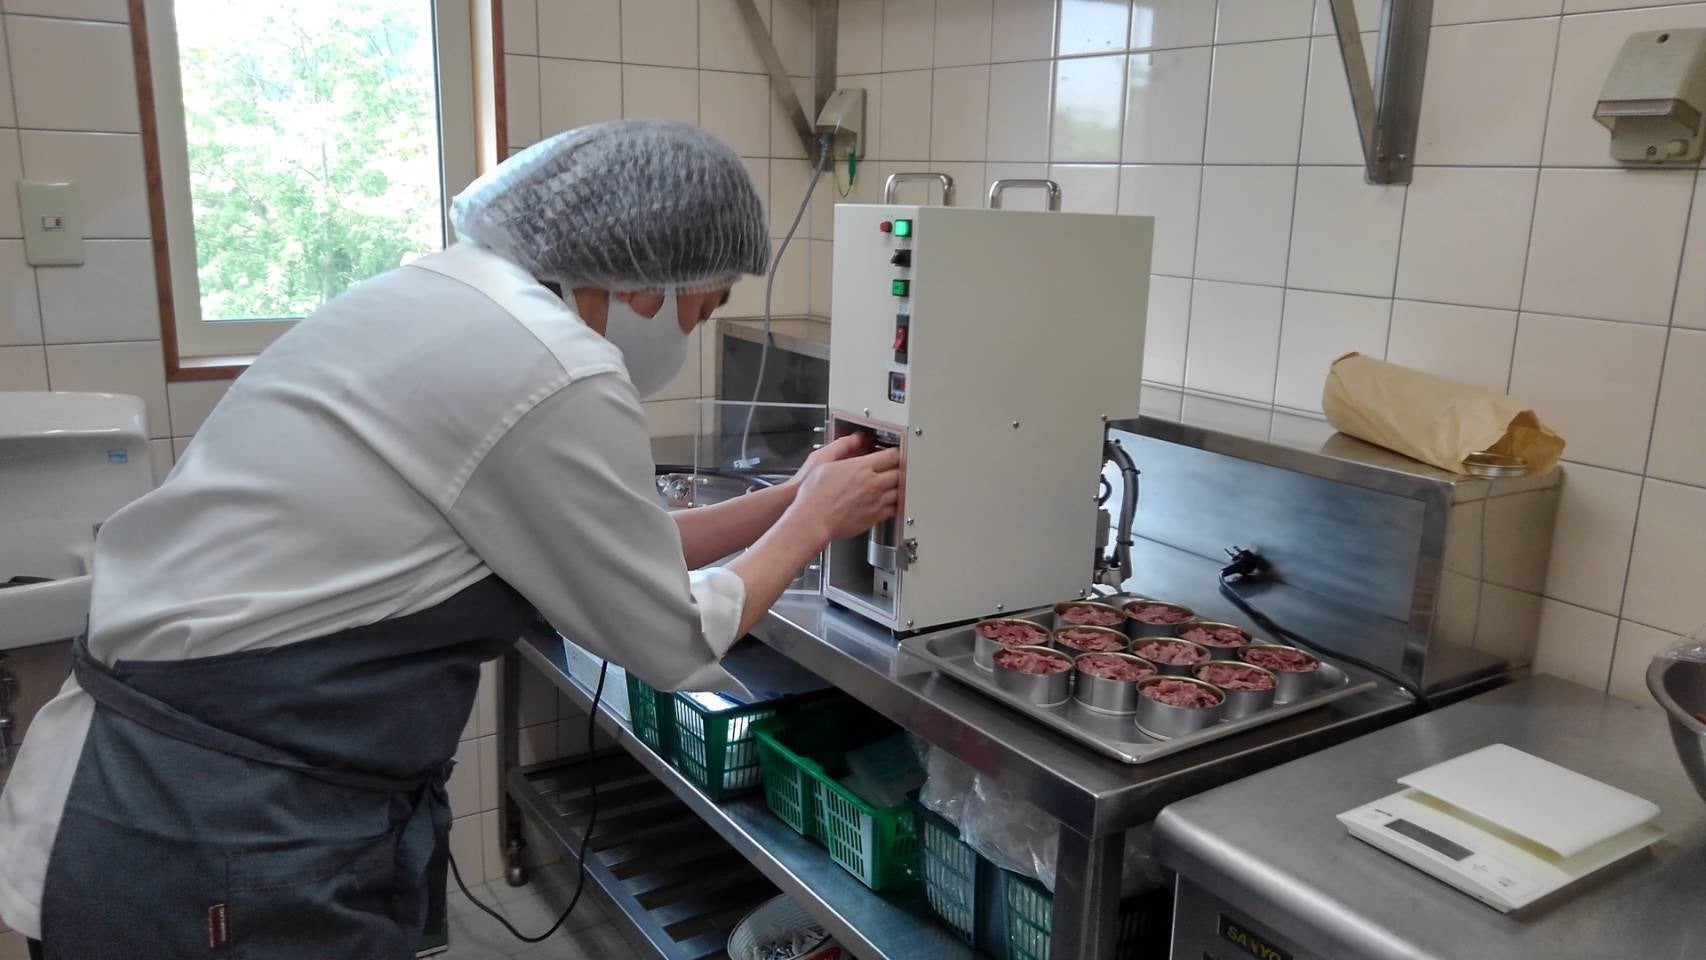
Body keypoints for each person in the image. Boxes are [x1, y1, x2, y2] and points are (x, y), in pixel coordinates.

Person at [0, 120, 900, 959]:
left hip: (172, 778)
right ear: (644, 277)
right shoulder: (555, 365)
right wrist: (815, 523)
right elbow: (670, 637)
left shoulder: (441, 295)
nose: (693, 332)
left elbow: (619, 543)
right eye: (701, 310)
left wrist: (790, 497)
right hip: (221, 828)